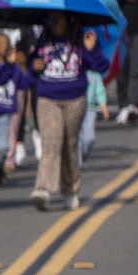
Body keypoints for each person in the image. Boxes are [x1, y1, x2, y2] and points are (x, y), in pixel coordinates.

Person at [26, 13, 107, 211]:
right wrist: (32, 64)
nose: (53, 25)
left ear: (69, 21)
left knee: (69, 146)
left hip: (75, 98)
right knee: (51, 141)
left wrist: (92, 50)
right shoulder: (43, 39)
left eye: (57, 21)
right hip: (47, 98)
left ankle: (71, 190)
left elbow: (102, 67)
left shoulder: (82, 39)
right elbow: (30, 68)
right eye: (49, 21)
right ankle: (43, 189)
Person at [0, 30, 31, 188]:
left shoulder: (14, 67)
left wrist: (20, 66)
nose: (10, 48)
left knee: (3, 147)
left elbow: (25, 83)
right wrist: (9, 65)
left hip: (5, 113)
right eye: (6, 45)